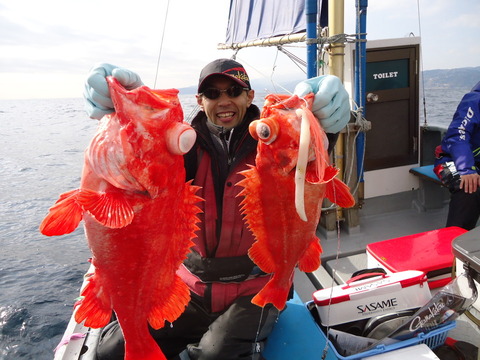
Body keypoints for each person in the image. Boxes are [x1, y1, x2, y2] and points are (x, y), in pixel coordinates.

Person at [83, 58, 351, 360]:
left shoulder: (271, 141)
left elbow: (306, 154)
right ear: (199, 101)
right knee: (111, 350)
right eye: (212, 93)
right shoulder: (181, 145)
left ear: (250, 97)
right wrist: (122, 111)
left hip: (254, 291)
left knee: (214, 354)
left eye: (234, 91)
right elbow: (144, 159)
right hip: (191, 289)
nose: (224, 101)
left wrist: (326, 127)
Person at [434, 80, 480, 230]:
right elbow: (458, 135)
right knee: (467, 188)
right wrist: (466, 169)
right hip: (451, 160)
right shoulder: (474, 101)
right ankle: (454, 243)